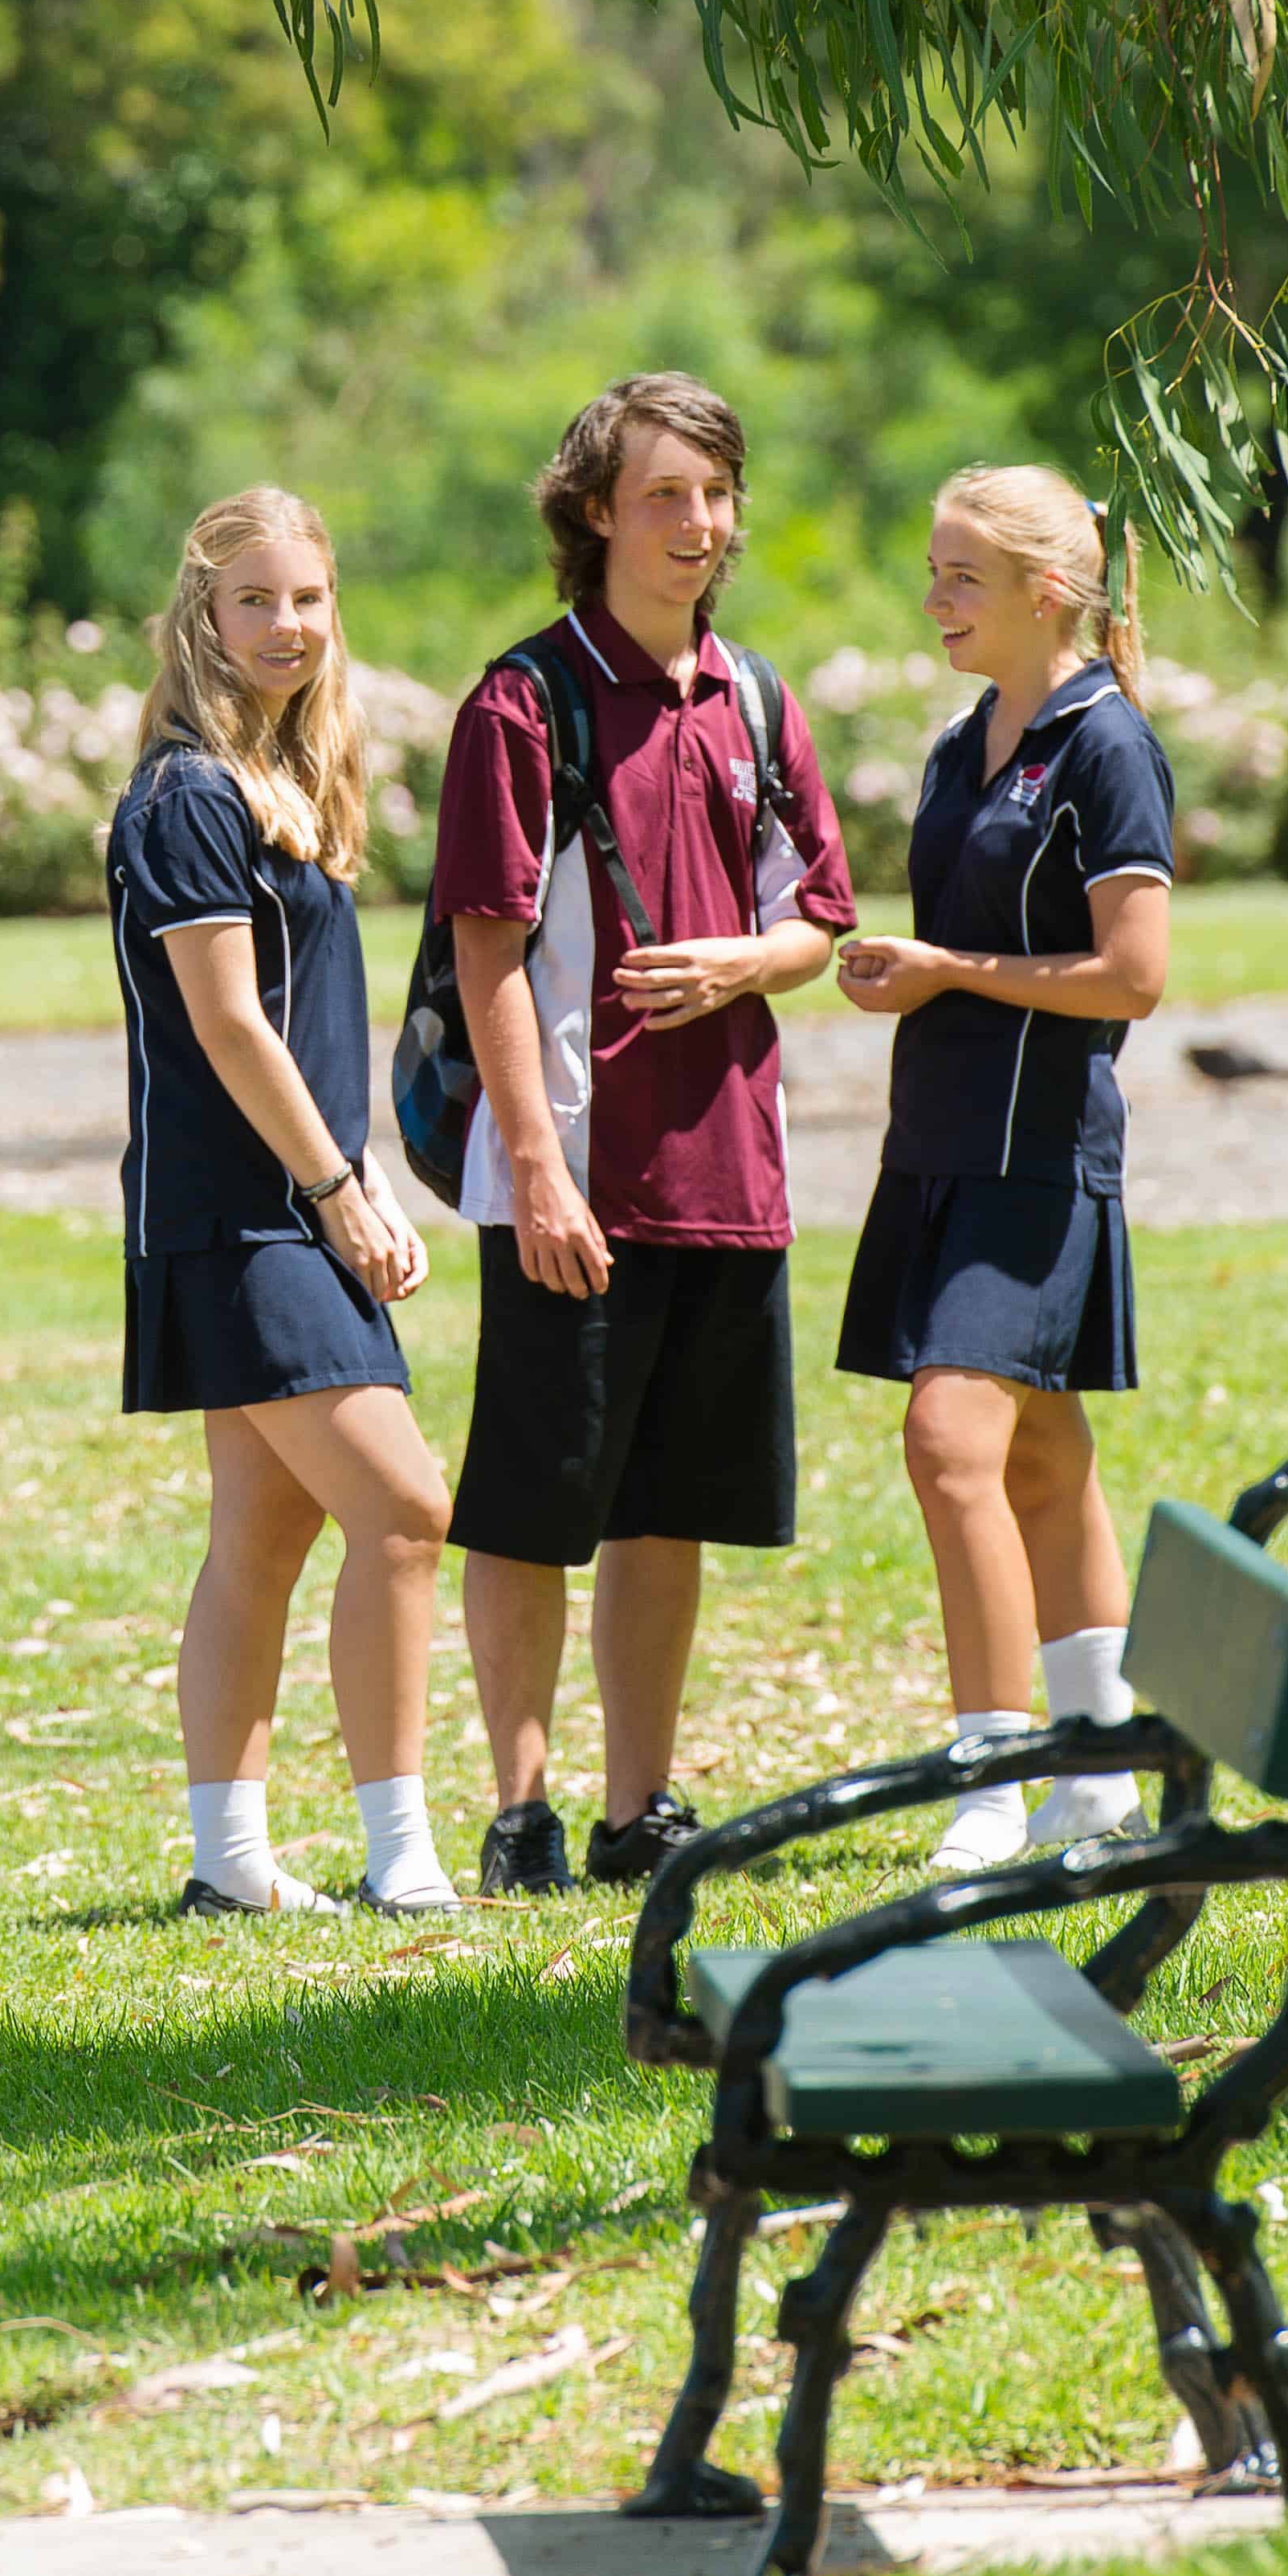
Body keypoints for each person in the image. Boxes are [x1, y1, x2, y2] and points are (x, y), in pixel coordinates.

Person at [435, 373, 857, 1896]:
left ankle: (636, 1810)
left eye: (716, 494)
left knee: (664, 1503)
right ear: (596, 509)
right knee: (534, 1500)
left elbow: (818, 917)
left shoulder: (752, 698)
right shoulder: (521, 701)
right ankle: (520, 1809)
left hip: (729, 1171)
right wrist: (534, 1163)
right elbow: (484, 948)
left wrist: (741, 964)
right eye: (666, 494)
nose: (698, 523)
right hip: (573, 1179)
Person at [829, 470, 1177, 1869]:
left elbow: (1134, 978)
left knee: (949, 1443)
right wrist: (905, 981)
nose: (935, 598)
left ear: (1049, 590)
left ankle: (989, 1777)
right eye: (932, 570)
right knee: (1039, 1450)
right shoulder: (962, 738)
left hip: (1035, 1158)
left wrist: (944, 972)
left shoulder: (1108, 744)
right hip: (937, 1144)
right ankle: (1096, 1771)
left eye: (961, 575)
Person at [112, 488, 450, 1917]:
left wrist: (364, 1171)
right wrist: (335, 1190)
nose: (285, 625)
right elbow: (232, 1026)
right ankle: (402, 1853)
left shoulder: (281, 778)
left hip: (289, 1201)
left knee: (263, 1532)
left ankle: (232, 1866)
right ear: (200, 613)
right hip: (242, 1216)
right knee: (405, 1510)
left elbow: (307, 1028)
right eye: (253, 599)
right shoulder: (191, 791)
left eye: (306, 597)